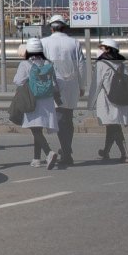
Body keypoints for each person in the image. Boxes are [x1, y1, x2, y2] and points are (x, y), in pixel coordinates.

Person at [40, 15, 89, 157]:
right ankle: (67, 148)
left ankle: (66, 151)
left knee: (60, 119)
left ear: (51, 28)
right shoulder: (74, 43)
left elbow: (41, 66)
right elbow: (81, 66)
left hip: (53, 85)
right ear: (64, 26)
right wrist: (81, 86)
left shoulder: (44, 42)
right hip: (71, 84)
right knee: (68, 117)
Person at [13, 39, 60, 167]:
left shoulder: (26, 64)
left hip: (32, 99)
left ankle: (49, 152)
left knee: (35, 129)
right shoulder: (48, 63)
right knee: (38, 129)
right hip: (48, 101)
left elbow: (17, 81)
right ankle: (36, 159)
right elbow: (55, 85)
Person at [90, 39, 128, 163]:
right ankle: (106, 151)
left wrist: (90, 103)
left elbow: (96, 85)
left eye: (102, 47)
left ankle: (125, 154)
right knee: (112, 125)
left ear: (108, 49)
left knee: (114, 126)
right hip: (121, 99)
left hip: (107, 100)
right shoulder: (122, 64)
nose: (100, 50)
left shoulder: (101, 64)